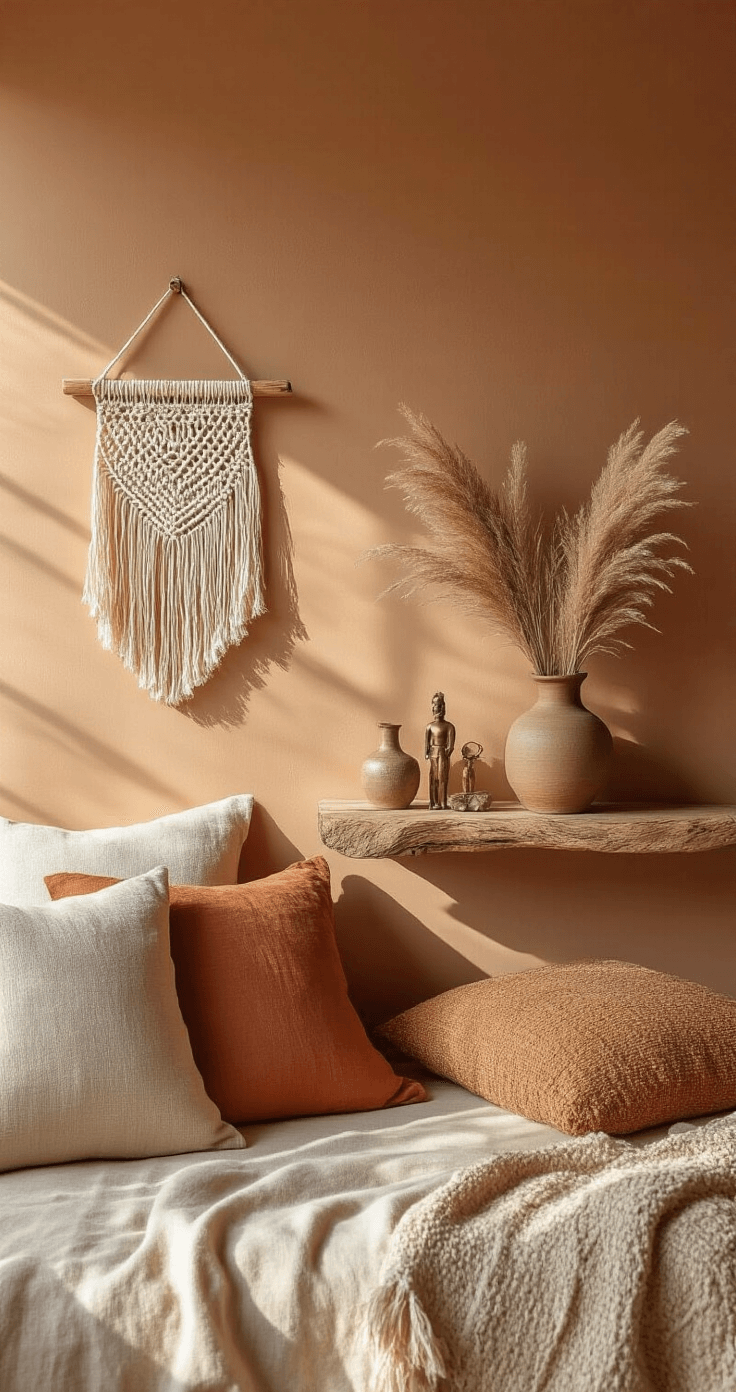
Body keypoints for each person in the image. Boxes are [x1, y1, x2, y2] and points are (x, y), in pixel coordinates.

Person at [425, 692, 455, 809]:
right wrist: (427, 753)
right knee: (433, 779)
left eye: (441, 705)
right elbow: (426, 743)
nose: (439, 708)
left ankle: (443, 802)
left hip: (443, 754)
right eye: (437, 705)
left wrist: (446, 754)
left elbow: (450, 745)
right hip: (433, 753)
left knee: (443, 778)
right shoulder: (429, 726)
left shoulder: (449, 726)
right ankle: (433, 802)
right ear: (433, 707)